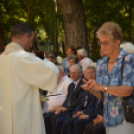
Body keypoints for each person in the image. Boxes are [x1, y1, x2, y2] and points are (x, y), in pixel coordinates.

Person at [0, 23, 58, 134]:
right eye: (32, 40)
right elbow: (53, 71)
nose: (31, 45)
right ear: (26, 37)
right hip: (23, 115)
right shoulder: (24, 58)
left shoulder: (1, 58)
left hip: (4, 116)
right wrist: (41, 57)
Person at [82, 22, 134, 134]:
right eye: (101, 43)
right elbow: (102, 95)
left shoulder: (129, 59)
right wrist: (93, 89)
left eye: (106, 43)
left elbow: (128, 89)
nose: (102, 46)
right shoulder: (101, 63)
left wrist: (102, 87)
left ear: (117, 42)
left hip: (125, 117)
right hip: (108, 118)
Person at [56, 66, 99, 134]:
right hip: (79, 111)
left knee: (71, 122)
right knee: (61, 120)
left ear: (97, 74)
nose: (90, 75)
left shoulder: (98, 87)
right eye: (88, 73)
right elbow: (81, 102)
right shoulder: (85, 86)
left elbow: (95, 106)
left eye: (92, 72)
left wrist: (82, 112)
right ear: (86, 75)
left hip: (90, 113)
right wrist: (76, 112)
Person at [44, 64, 84, 134]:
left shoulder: (82, 85)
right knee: (47, 117)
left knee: (54, 118)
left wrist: (65, 108)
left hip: (73, 109)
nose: (72, 75)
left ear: (81, 74)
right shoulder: (72, 85)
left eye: (75, 73)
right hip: (66, 108)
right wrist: (62, 107)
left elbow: (79, 100)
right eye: (71, 73)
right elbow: (67, 99)